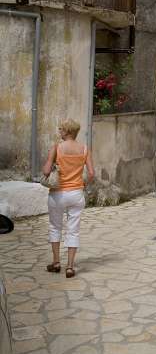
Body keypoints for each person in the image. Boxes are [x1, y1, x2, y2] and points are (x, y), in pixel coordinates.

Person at [42, 119, 94, 278]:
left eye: (61, 129)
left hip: (58, 194)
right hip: (76, 193)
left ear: (67, 132)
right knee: (73, 230)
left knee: (55, 227)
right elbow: (91, 174)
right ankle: (70, 267)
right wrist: (82, 184)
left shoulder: (56, 148)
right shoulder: (84, 149)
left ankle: (56, 262)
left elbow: (45, 171)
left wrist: (51, 168)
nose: (60, 132)